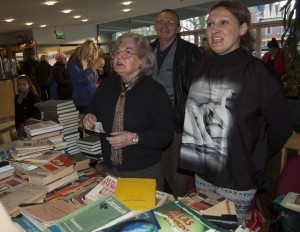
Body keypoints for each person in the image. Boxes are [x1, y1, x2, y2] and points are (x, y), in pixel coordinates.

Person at [179, 0, 293, 225]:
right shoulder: (198, 69)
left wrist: (253, 153)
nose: (214, 30)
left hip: (237, 175)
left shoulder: (258, 73)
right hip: (203, 171)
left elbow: (281, 129)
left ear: (242, 28)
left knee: (229, 227)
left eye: (223, 22)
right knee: (206, 226)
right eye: (210, 24)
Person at [83, 33, 174, 191]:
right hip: (110, 170)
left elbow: (165, 135)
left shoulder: (154, 91)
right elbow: (92, 111)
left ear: (142, 60)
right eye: (117, 52)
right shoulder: (107, 86)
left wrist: (134, 138)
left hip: (143, 172)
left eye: (128, 52)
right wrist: (88, 118)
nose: (119, 57)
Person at [150, 9, 203, 197]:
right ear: (155, 27)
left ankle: (182, 212)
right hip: (151, 124)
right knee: (158, 171)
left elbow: (200, 90)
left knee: (179, 174)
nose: (165, 26)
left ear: (178, 28)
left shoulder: (190, 52)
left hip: (179, 122)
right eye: (161, 22)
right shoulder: (147, 51)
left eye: (170, 23)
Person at [67, 40, 105, 113]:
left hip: (93, 100)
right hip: (82, 103)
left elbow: (92, 81)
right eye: (90, 56)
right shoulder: (73, 64)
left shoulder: (89, 63)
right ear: (86, 53)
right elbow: (78, 79)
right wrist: (95, 66)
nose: (92, 58)